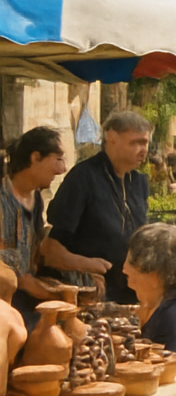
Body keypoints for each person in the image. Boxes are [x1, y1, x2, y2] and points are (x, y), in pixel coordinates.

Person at [3, 127, 109, 326]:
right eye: (58, 159)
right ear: (36, 157)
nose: (62, 169)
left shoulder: (35, 198)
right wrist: (60, 294)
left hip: (27, 297)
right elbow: (13, 273)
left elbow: (38, 254)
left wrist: (81, 275)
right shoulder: (3, 199)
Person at [44, 110, 151, 303]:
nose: (143, 150)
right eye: (135, 143)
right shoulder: (84, 177)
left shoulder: (138, 182)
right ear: (112, 138)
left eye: (145, 143)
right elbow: (51, 250)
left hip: (132, 294)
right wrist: (86, 265)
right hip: (94, 295)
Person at [125, 223, 176, 361]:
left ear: (155, 277)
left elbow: (172, 363)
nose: (129, 284)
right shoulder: (163, 303)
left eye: (131, 275)